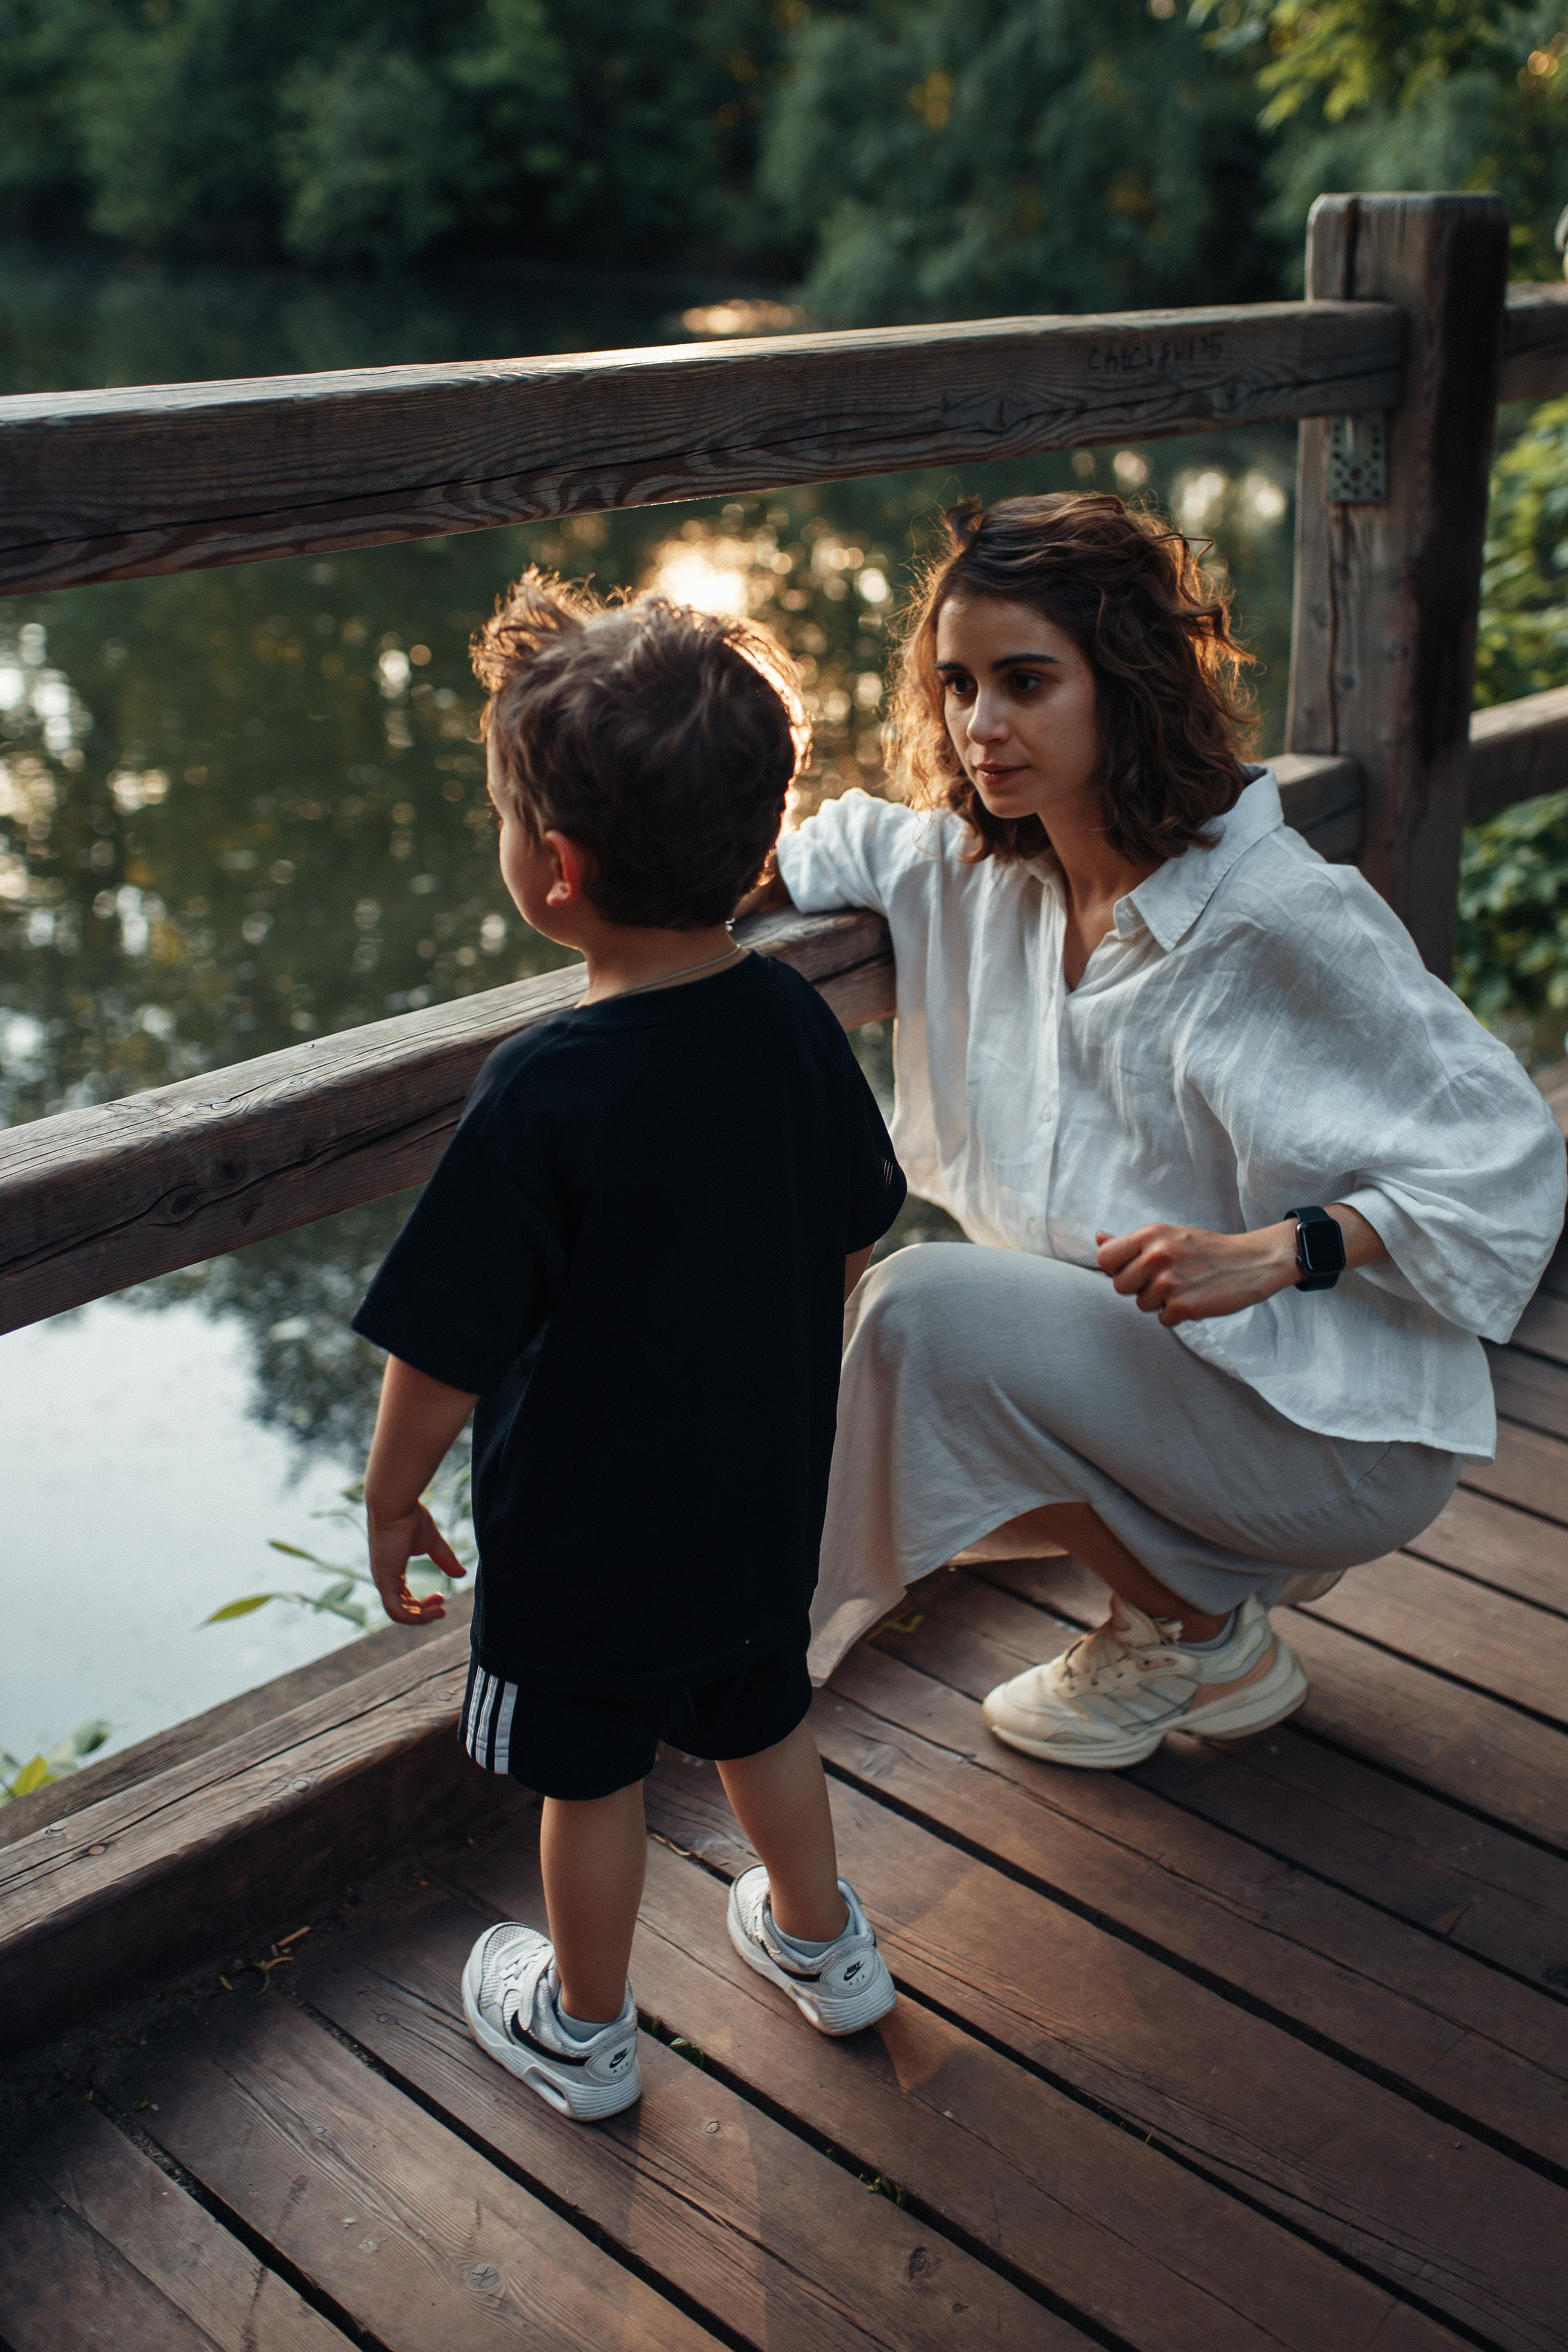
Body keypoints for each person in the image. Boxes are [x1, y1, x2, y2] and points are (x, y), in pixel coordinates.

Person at [752, 491, 1566, 1768]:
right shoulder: (985, 878)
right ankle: (1190, 1612)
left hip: (1343, 1432)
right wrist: (685, 876)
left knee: (914, 1313)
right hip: (1197, 1385)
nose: (980, 725)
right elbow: (843, 842)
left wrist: (1274, 1251)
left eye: (1025, 681)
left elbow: (1511, 1153)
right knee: (930, 1339)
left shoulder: (1270, 915)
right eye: (956, 686)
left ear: (1121, 684)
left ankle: (1190, 1628)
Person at [350, 575, 906, 2122]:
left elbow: (446, 1343)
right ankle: (826, 1945)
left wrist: (395, 1495)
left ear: (556, 870)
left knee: (584, 1777)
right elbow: (852, 1224)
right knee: (761, 1713)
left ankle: (584, 2030)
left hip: (584, 1532)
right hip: (753, 1488)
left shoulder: (539, 1090)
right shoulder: (793, 1025)